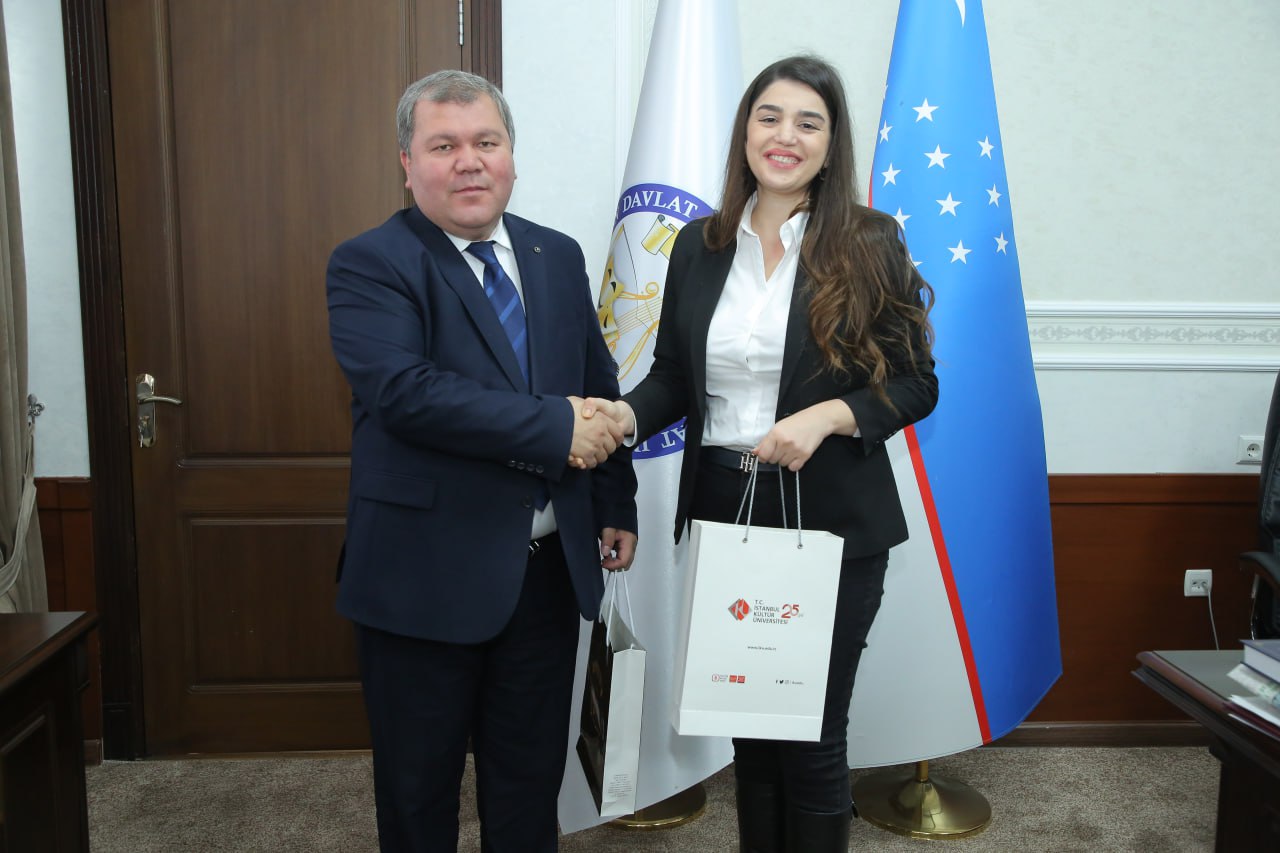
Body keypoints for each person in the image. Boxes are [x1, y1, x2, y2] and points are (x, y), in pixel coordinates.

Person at [585, 55, 938, 851]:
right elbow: (674, 378)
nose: (786, 136)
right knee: (748, 726)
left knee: (810, 733)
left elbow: (917, 383)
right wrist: (622, 416)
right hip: (726, 511)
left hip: (831, 523)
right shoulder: (699, 245)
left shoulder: (870, 241)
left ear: (831, 143)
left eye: (809, 122)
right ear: (745, 131)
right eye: (770, 117)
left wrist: (829, 416)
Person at [326, 69, 639, 853]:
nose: (468, 161)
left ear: (510, 157)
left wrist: (614, 502)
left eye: (486, 142)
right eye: (444, 146)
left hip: (543, 576)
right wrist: (556, 428)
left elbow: (596, 385)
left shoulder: (554, 254)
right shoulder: (371, 262)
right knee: (418, 794)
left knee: (528, 787)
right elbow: (407, 393)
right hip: (420, 578)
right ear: (408, 163)